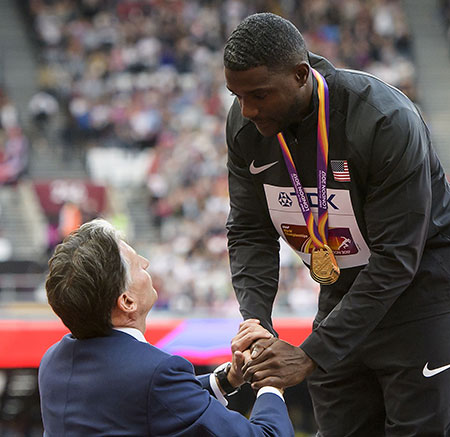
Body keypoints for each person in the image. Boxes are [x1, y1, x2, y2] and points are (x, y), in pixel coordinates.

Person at [223, 12, 450, 435]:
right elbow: (250, 230)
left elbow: (397, 258)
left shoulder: (383, 120)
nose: (246, 110)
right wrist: (256, 321)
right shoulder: (245, 127)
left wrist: (311, 355)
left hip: (422, 295)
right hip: (341, 296)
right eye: (236, 95)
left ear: (300, 75)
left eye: (258, 95)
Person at [38, 218, 294, 437]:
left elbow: (141, 399)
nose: (147, 263)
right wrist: (271, 380)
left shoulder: (53, 361)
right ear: (127, 301)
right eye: (138, 264)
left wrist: (226, 379)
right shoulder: (156, 373)